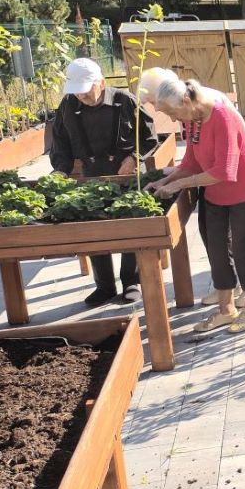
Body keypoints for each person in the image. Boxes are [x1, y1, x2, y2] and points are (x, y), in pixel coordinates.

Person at [147, 78, 245, 334]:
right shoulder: (191, 120)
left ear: (187, 101)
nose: (171, 118)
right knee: (216, 249)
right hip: (216, 194)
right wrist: (164, 180)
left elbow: (225, 170)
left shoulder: (223, 117)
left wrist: (180, 185)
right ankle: (226, 311)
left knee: (243, 250)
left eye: (171, 112)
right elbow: (191, 161)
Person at [50, 58, 156, 306]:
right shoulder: (67, 104)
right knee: (94, 228)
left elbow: (149, 137)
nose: (82, 96)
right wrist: (60, 171)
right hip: (92, 173)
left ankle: (131, 281)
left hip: (126, 173)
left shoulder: (125, 100)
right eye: (77, 91)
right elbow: (60, 143)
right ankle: (104, 286)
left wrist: (134, 157)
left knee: (129, 224)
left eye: (86, 90)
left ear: (102, 83)